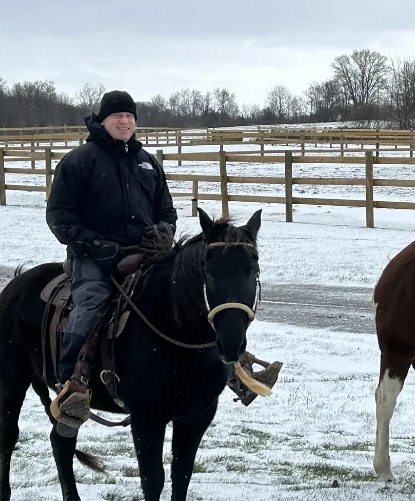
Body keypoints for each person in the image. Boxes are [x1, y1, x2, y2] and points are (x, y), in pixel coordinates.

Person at [46, 91, 278, 436]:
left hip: (146, 252)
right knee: (92, 302)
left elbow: (166, 209)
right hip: (94, 257)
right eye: (117, 116)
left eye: (130, 116)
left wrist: (164, 231)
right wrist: (96, 245)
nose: (125, 122)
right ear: (103, 120)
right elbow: (60, 216)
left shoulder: (146, 162)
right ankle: (72, 384)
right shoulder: (80, 161)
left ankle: (234, 366)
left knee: (191, 298)